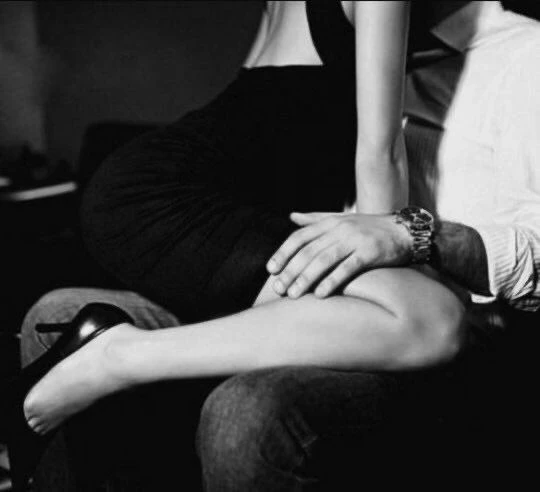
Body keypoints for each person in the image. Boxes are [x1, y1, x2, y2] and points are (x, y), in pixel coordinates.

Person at [11, 0, 540, 489]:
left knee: (430, 318)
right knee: (424, 316)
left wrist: (409, 236)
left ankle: (119, 354)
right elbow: (354, 166)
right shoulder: (365, 36)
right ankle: (115, 354)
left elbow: (379, 191)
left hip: (425, 316)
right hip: (210, 217)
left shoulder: (525, 54)